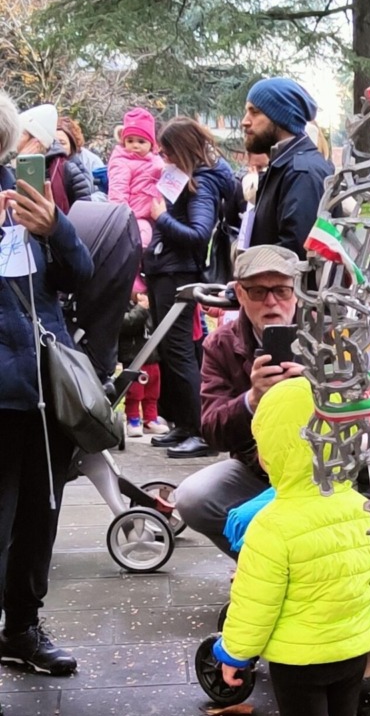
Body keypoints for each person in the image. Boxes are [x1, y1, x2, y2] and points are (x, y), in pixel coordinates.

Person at [213, 377, 370, 716]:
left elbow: (254, 603)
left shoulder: (272, 525)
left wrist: (234, 653)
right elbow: (368, 578)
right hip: (351, 647)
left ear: (272, 454)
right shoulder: (358, 508)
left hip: (298, 659)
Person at [0, 91, 94, 679]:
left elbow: (79, 274)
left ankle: (22, 629)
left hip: (41, 389)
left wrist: (55, 228)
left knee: (40, 515)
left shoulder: (21, 189)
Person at [172, 244, 306, 552]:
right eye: (258, 292)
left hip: (325, 472)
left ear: (297, 293)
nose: (271, 301)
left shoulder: (325, 335)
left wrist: (312, 389)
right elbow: (212, 430)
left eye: (282, 290)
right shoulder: (220, 344)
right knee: (193, 497)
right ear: (240, 294)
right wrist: (252, 400)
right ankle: (258, 564)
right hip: (259, 471)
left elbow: (357, 411)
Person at [145, 116, 235, 458]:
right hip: (165, 269)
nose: (162, 156)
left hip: (178, 273)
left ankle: (201, 429)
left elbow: (198, 234)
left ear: (181, 150)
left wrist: (161, 218)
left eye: (166, 151)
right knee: (169, 349)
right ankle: (183, 423)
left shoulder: (202, 183)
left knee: (180, 349)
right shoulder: (186, 178)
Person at [240, 78, 333, 257]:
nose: (245, 121)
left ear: (280, 117)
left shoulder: (303, 172)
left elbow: (295, 257)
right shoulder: (283, 166)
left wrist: (251, 264)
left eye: (255, 112)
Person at [107, 108, 163, 282]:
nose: (135, 145)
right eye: (130, 141)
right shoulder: (122, 162)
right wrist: (123, 218)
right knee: (140, 242)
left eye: (141, 141)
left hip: (155, 213)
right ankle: (133, 277)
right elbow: (118, 191)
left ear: (151, 144)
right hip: (134, 217)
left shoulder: (156, 160)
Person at [19, 103, 91, 213]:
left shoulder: (67, 170)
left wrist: (56, 221)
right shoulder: (9, 168)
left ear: (36, 141)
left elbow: (84, 213)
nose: (16, 139)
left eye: (22, 134)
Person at [118, 292, 168, 436]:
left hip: (152, 356)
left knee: (153, 391)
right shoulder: (123, 304)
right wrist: (141, 308)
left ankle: (150, 419)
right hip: (134, 357)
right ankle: (133, 419)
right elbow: (125, 324)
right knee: (135, 391)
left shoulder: (152, 303)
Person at [55, 116, 105, 193]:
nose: (58, 147)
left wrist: (87, 199)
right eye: (54, 142)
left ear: (72, 143)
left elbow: (103, 192)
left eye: (62, 143)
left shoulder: (91, 161)